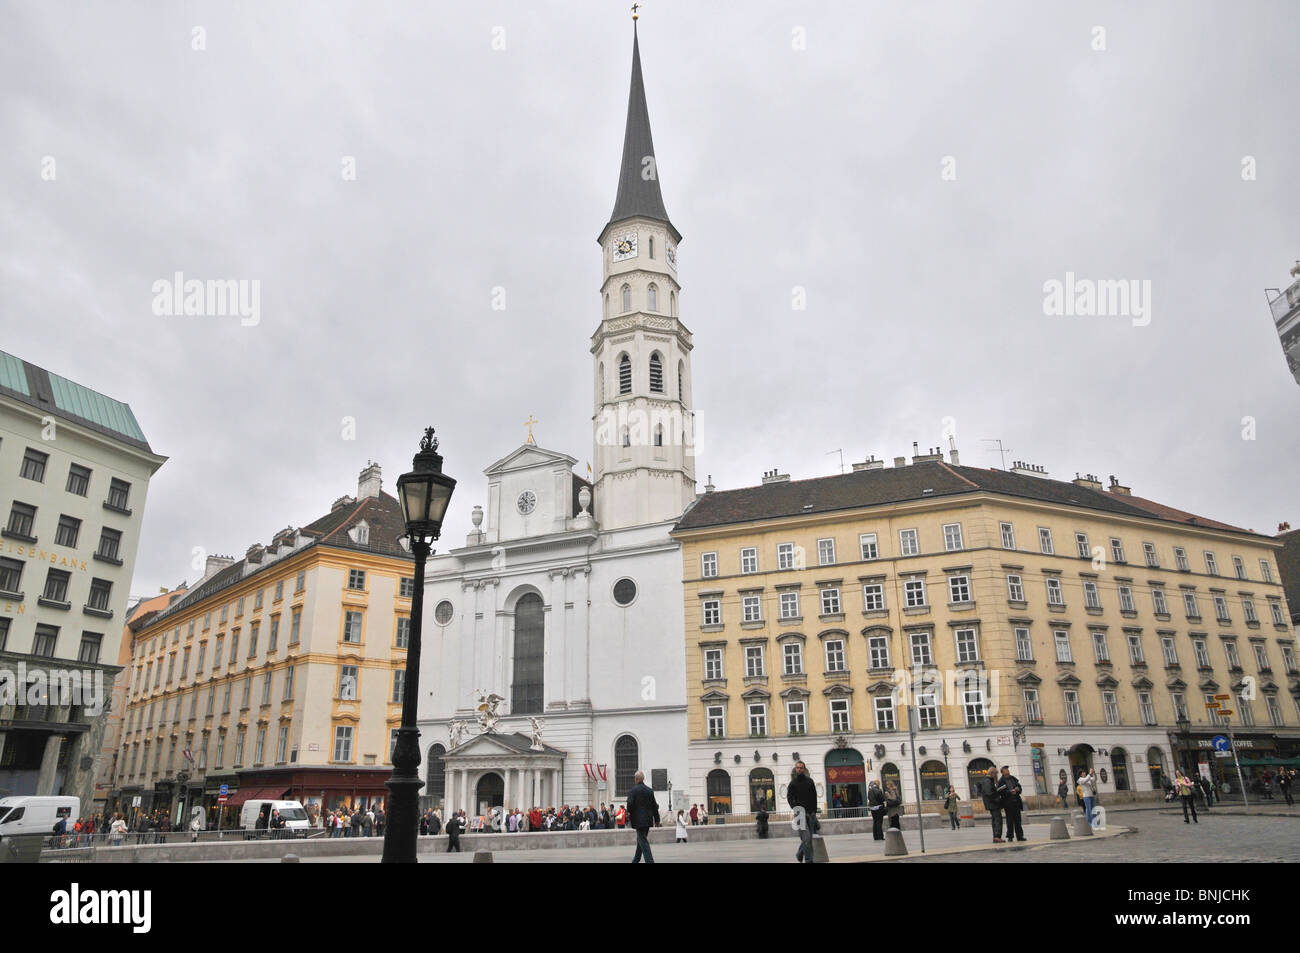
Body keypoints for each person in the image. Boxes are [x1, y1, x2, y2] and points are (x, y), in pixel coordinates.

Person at [786, 760, 819, 863]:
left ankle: (800, 853)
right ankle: (809, 860)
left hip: (810, 812)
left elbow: (814, 796)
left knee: (808, 838)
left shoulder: (810, 781)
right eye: (797, 768)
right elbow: (789, 797)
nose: (799, 769)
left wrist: (814, 811)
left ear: (804, 769)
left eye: (801, 767)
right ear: (796, 769)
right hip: (800, 813)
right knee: (806, 837)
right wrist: (794, 807)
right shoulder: (793, 783)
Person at [627, 770, 660, 864]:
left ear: (636, 779)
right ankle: (636, 860)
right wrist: (657, 820)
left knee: (643, 841)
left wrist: (630, 812)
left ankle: (650, 861)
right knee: (641, 840)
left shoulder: (633, 790)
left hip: (638, 820)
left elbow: (629, 805)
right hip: (648, 820)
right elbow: (654, 806)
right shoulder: (649, 790)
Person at [998, 766, 1026, 842]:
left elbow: (1019, 787)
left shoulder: (1013, 778)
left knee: (1018, 820)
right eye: (1006, 770)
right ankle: (1010, 836)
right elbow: (1001, 792)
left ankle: (1020, 836)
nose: (1008, 771)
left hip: (1016, 802)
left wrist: (1017, 789)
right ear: (1002, 772)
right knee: (1010, 821)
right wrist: (1009, 792)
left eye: (1008, 769)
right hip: (1008, 803)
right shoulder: (1001, 781)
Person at [979, 766, 1004, 843]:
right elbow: (989, 793)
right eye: (996, 774)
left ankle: (996, 836)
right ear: (992, 773)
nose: (996, 776)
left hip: (992, 803)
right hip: (993, 804)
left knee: (995, 819)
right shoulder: (987, 781)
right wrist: (997, 797)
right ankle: (997, 836)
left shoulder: (988, 780)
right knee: (998, 819)